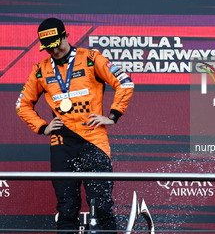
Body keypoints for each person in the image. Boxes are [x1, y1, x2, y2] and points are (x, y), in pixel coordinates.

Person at [15, 18, 134, 233]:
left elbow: (124, 81)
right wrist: (42, 126)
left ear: (66, 36)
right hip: (62, 144)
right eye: (48, 47)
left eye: (56, 43)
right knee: (67, 208)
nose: (54, 50)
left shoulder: (90, 59)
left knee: (102, 207)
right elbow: (22, 104)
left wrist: (113, 115)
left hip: (94, 142)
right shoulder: (40, 70)